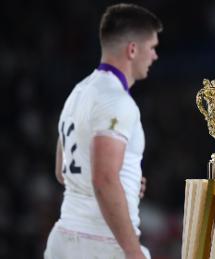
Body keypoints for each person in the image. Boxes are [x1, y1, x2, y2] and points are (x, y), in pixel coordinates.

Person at [44, 3, 162, 259]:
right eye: (152, 47)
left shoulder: (78, 92)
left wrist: (125, 183)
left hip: (63, 238)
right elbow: (104, 180)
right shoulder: (117, 102)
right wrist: (133, 252)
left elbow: (62, 171)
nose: (155, 56)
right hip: (100, 244)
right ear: (132, 49)